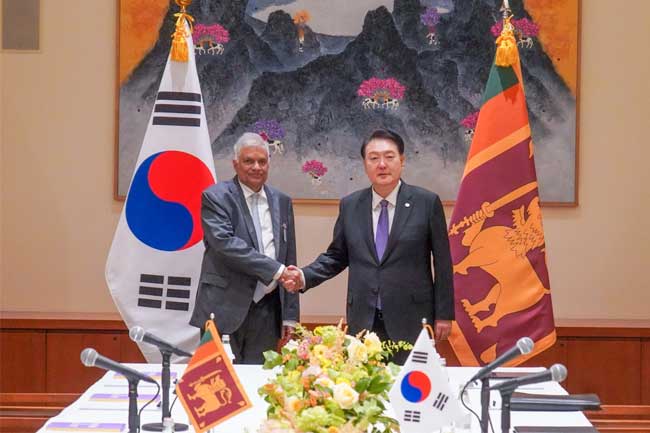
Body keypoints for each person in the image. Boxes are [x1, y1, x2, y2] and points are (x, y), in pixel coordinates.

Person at [286, 129, 454, 362]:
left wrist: (444, 314)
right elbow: (336, 256)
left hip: (411, 317)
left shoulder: (426, 203)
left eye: (389, 157)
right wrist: (304, 276)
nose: (382, 164)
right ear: (365, 164)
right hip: (364, 319)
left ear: (402, 160)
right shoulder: (351, 205)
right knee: (366, 381)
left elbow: (443, 263)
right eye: (374, 158)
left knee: (410, 383)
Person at [190, 132, 299, 363]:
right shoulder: (215, 197)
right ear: (235, 164)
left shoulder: (282, 201)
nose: (256, 167)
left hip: (267, 311)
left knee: (261, 379)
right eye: (249, 161)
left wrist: (290, 316)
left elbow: (289, 256)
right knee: (217, 380)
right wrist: (277, 271)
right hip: (223, 306)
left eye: (262, 161)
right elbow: (225, 244)